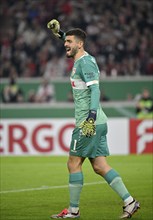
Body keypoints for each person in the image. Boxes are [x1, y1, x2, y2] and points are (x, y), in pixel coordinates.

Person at [47, 19, 140, 219]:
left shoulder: (85, 62)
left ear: (80, 44)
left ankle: (73, 211)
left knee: (73, 163)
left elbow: (95, 89)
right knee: (99, 166)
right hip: (98, 122)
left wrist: (90, 117)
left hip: (88, 122)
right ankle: (130, 202)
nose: (66, 44)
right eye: (66, 41)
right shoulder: (82, 57)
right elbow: (69, 41)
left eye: (69, 42)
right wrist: (59, 32)